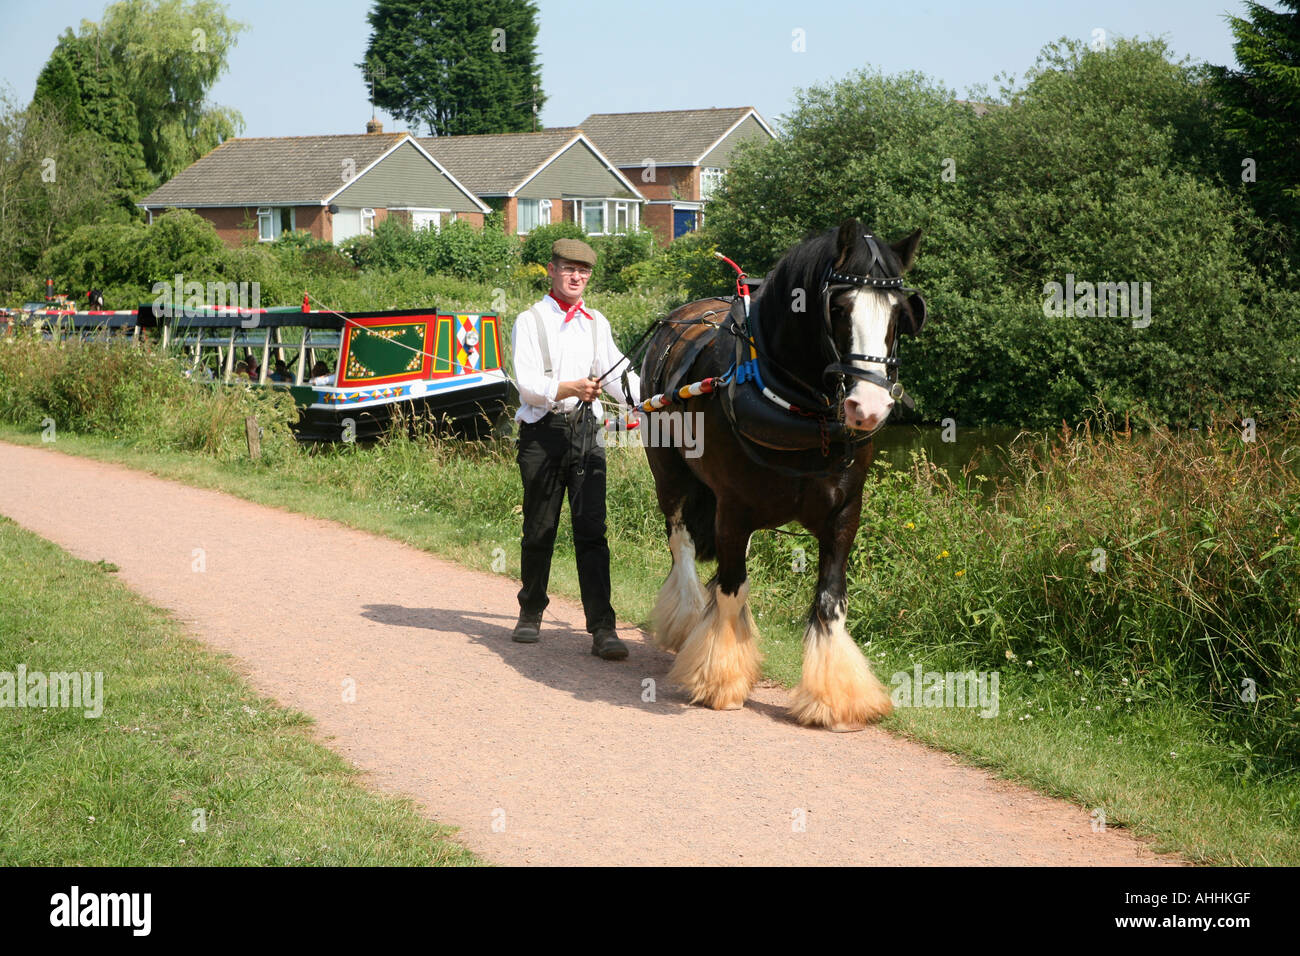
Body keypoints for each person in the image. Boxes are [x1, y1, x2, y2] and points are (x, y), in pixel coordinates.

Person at [510, 238, 640, 660]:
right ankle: (530, 613)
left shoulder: (597, 322)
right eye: (568, 268)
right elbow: (528, 386)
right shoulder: (529, 321)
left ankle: (603, 628)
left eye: (583, 271)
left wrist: (649, 399)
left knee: (592, 532)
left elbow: (619, 375)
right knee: (539, 529)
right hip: (541, 434)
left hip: (587, 434)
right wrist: (570, 387)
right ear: (551, 269)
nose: (576, 277)